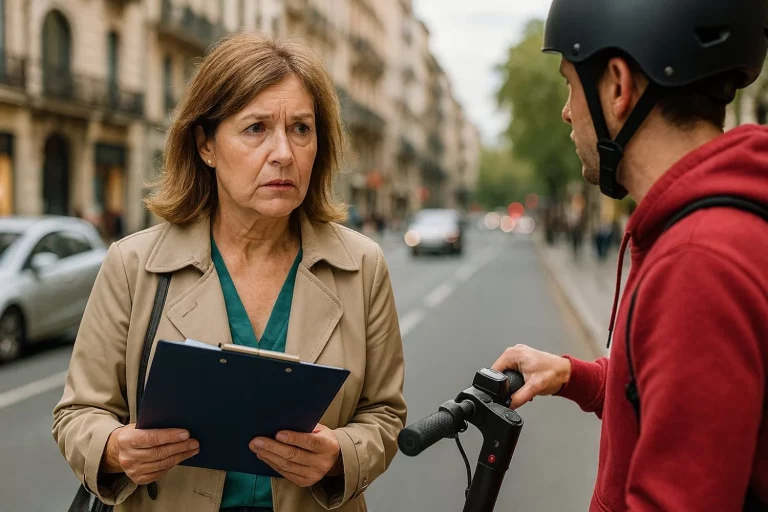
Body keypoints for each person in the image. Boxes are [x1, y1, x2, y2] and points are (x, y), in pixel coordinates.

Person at [52, 34, 406, 512]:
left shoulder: (362, 266)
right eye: (256, 128)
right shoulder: (134, 265)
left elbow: (384, 413)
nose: (284, 152)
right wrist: (116, 448)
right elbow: (78, 414)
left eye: (301, 129)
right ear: (206, 145)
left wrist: (341, 455)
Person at [492, 1, 768, 510]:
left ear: (618, 87)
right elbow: (673, 403)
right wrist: (574, 376)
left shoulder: (697, 261)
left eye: (570, 84)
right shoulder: (712, 223)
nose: (566, 111)